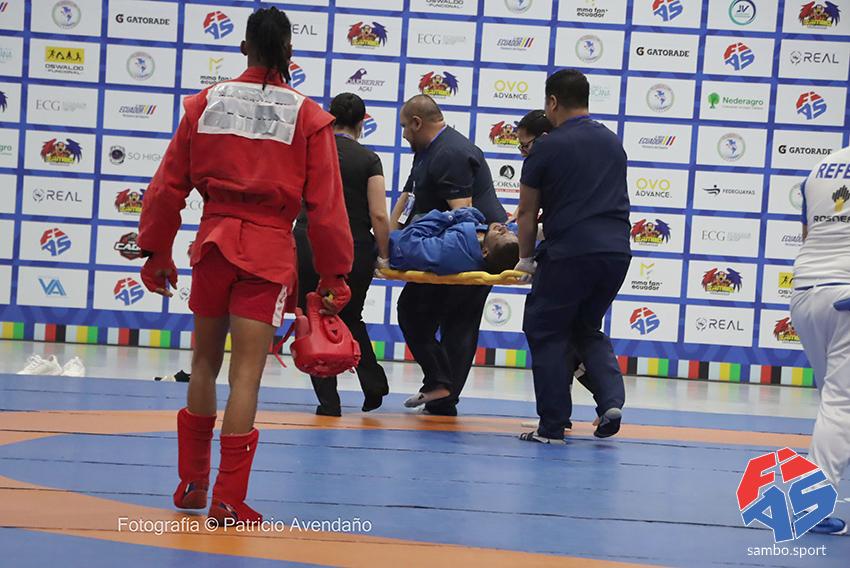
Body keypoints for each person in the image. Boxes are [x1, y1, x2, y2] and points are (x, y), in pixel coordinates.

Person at [137, 7, 353, 524]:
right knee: (247, 374)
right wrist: (334, 273)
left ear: (243, 49)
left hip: (213, 245)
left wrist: (156, 250)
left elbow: (167, 186)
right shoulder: (309, 117)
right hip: (267, 252)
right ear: (290, 52)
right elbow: (326, 207)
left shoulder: (204, 104)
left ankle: (192, 483)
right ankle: (228, 498)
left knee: (204, 363)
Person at [513, 69, 631, 444]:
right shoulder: (612, 141)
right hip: (616, 253)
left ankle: (551, 427)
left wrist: (525, 258)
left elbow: (526, 212)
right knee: (585, 327)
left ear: (552, 102)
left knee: (545, 329)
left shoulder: (547, 146)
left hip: (571, 252)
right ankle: (611, 402)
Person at [391, 95, 507, 415]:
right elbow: (409, 198)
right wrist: (387, 241)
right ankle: (441, 389)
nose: (403, 135)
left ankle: (443, 395)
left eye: (404, 127)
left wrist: (421, 251)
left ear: (417, 123)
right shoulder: (428, 151)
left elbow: (464, 216)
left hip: (472, 253)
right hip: (455, 249)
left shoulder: (449, 153)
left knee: (452, 321)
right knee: (422, 314)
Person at [295, 92, 391, 417]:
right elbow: (379, 214)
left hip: (309, 241)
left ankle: (329, 402)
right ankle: (373, 382)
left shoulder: (310, 150)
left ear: (330, 118)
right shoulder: (369, 159)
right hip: (355, 248)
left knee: (313, 316)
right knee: (350, 315)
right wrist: (384, 254)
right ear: (362, 123)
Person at [789, 144, 850, 535]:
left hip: (807, 292)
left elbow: (808, 233)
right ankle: (812, 504)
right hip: (845, 294)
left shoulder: (822, 166)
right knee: (841, 402)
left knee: (835, 398)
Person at [389, 207, 518, 275]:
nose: (504, 228)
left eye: (501, 234)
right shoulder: (495, 243)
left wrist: (450, 216)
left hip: (392, 246)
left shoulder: (451, 251)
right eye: (509, 232)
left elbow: (408, 241)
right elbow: (516, 230)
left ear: (485, 252)